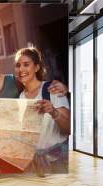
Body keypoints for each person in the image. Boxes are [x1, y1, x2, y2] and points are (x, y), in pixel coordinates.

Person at [0, 49, 69, 174]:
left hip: (41, 156)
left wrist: (63, 88)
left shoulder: (16, 82)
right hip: (9, 157)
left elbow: (36, 84)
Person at [14, 47, 70, 175]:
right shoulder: (21, 97)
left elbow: (68, 128)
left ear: (37, 67)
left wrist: (53, 112)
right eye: (18, 65)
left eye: (26, 64)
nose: (21, 69)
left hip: (57, 162)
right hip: (34, 164)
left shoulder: (52, 89)